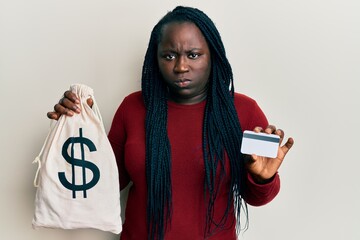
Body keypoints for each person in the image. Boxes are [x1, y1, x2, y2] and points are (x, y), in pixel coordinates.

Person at [47, 6, 294, 240]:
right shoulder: (132, 108)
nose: (181, 66)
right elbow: (102, 186)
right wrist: (78, 130)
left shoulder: (244, 111)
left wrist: (262, 179)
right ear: (155, 60)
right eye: (169, 56)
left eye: (193, 55)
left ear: (213, 56)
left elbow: (259, 198)